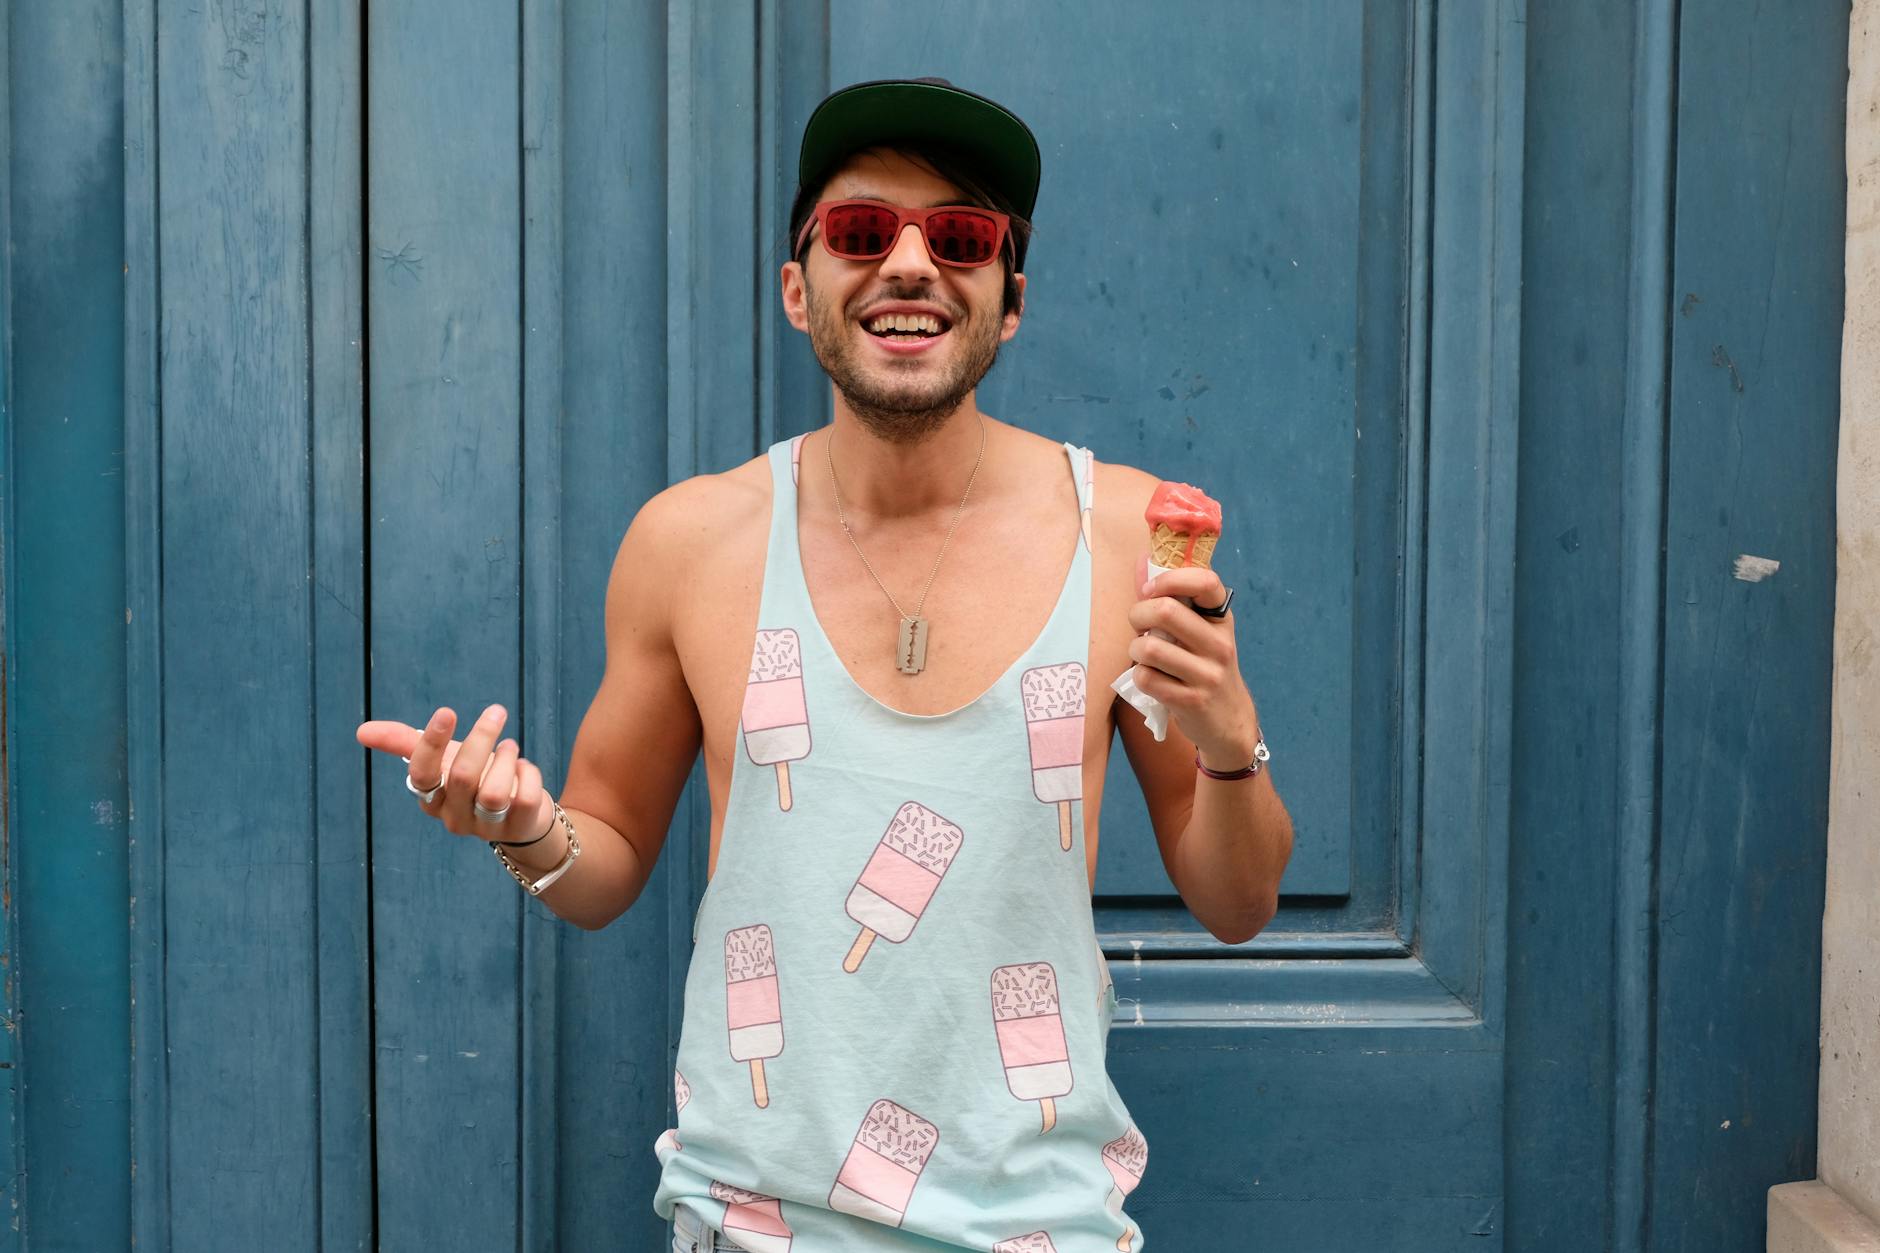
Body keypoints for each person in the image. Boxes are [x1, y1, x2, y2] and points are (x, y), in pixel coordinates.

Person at [356, 77, 1292, 1253]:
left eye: (960, 237)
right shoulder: (690, 541)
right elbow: (604, 866)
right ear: (798, 291)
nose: (908, 263)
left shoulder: (1124, 538)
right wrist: (522, 827)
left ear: (1010, 302)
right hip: (748, 1223)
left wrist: (1228, 746)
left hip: (1034, 1228)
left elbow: (1236, 904)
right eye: (859, 230)